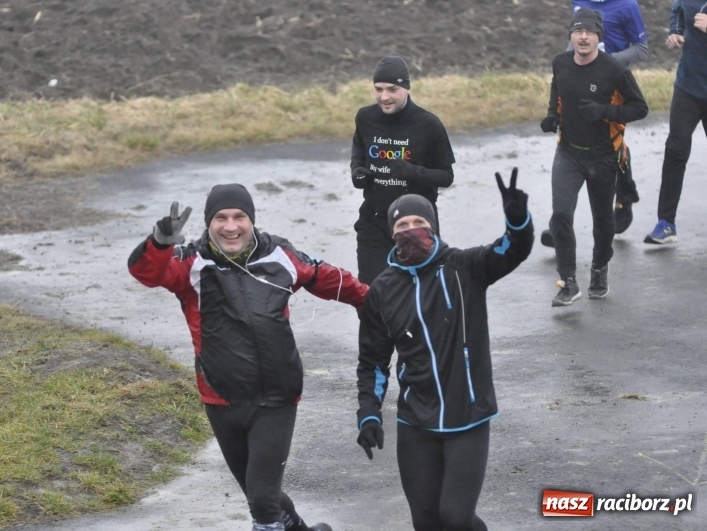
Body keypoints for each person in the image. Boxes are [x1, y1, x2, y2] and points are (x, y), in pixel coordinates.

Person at [127, 183, 368, 531]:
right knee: (259, 492)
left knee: (262, 499)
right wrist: (159, 243)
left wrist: (372, 301)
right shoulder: (191, 263)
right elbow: (146, 273)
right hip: (222, 398)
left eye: (240, 217)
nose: (231, 226)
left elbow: (327, 278)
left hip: (277, 396)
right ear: (208, 223)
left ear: (251, 221)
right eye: (221, 218)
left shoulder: (279, 254)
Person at [354, 168, 533, 531]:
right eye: (402, 225)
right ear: (392, 233)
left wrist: (517, 221)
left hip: (467, 413)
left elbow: (511, 250)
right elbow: (373, 360)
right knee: (426, 520)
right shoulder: (383, 290)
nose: (410, 229)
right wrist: (369, 412)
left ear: (433, 226)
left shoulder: (464, 267)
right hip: (415, 420)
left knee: (455, 517)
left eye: (419, 221)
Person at [539, 8, 648, 306]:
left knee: (603, 221)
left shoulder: (614, 70)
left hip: (603, 156)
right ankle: (568, 281)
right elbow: (556, 88)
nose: (583, 37)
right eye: (578, 31)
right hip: (568, 154)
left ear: (599, 37)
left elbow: (640, 108)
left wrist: (605, 112)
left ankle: (599, 268)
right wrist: (552, 116)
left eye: (589, 32)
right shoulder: (560, 63)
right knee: (560, 215)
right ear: (571, 35)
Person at [350, 55, 456, 284]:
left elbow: (446, 176)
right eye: (378, 89)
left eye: (392, 89)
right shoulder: (365, 117)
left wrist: (413, 172)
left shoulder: (428, 124)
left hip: (416, 223)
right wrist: (357, 171)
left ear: (406, 88)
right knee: (371, 295)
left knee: (420, 295)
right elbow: (358, 150)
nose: (384, 97)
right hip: (374, 222)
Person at [643, 0, 707, 244]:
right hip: (688, 87)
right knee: (675, 151)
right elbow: (677, 9)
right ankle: (666, 223)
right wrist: (676, 33)